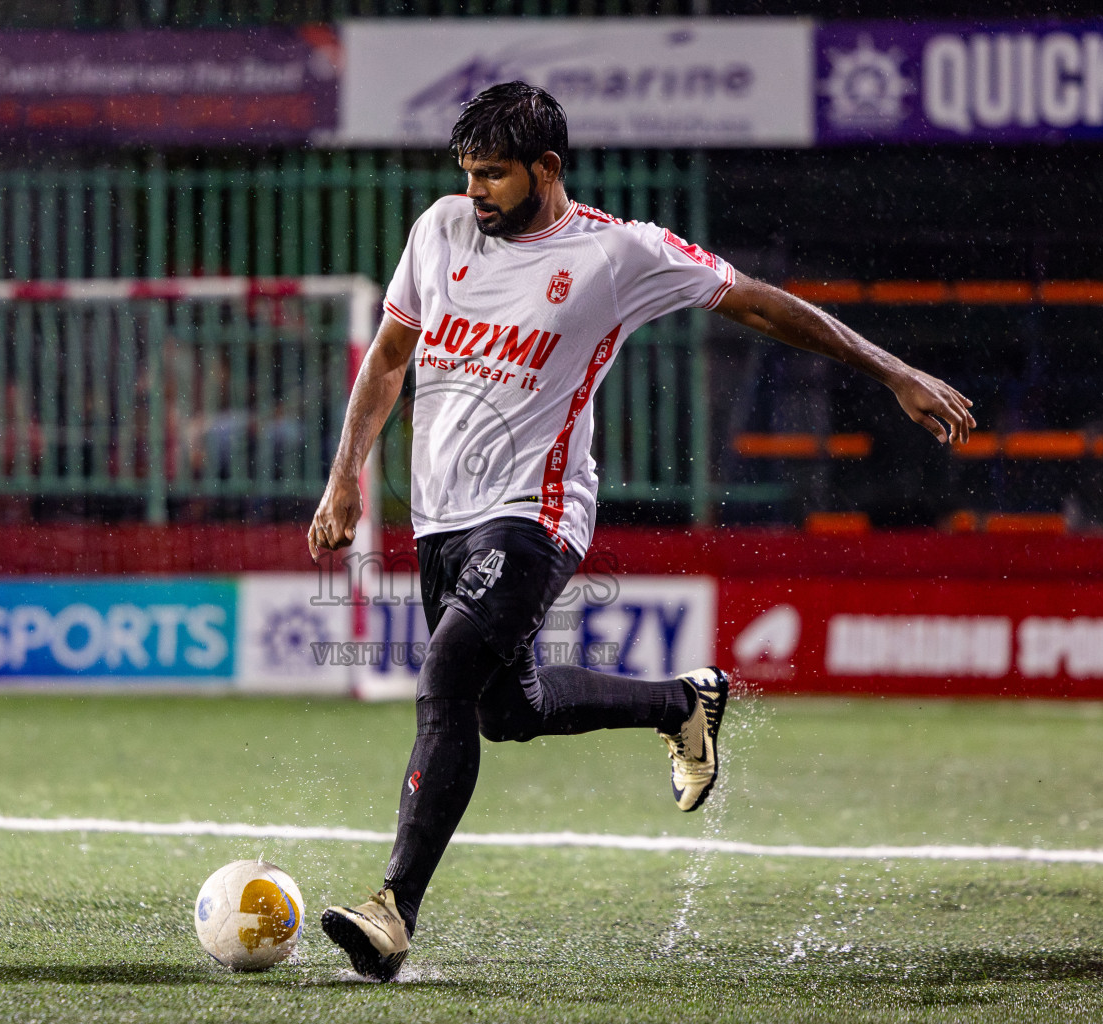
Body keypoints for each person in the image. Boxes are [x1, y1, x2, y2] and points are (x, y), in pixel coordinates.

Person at [307, 82, 974, 981]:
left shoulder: (618, 254)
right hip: (440, 522)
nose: (476, 192)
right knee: (509, 711)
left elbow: (761, 303)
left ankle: (393, 910)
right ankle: (681, 704)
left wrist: (891, 370)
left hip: (536, 514)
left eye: (494, 175)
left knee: (447, 680)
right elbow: (390, 356)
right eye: (467, 173)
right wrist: (346, 474)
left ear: (547, 168)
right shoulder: (439, 230)